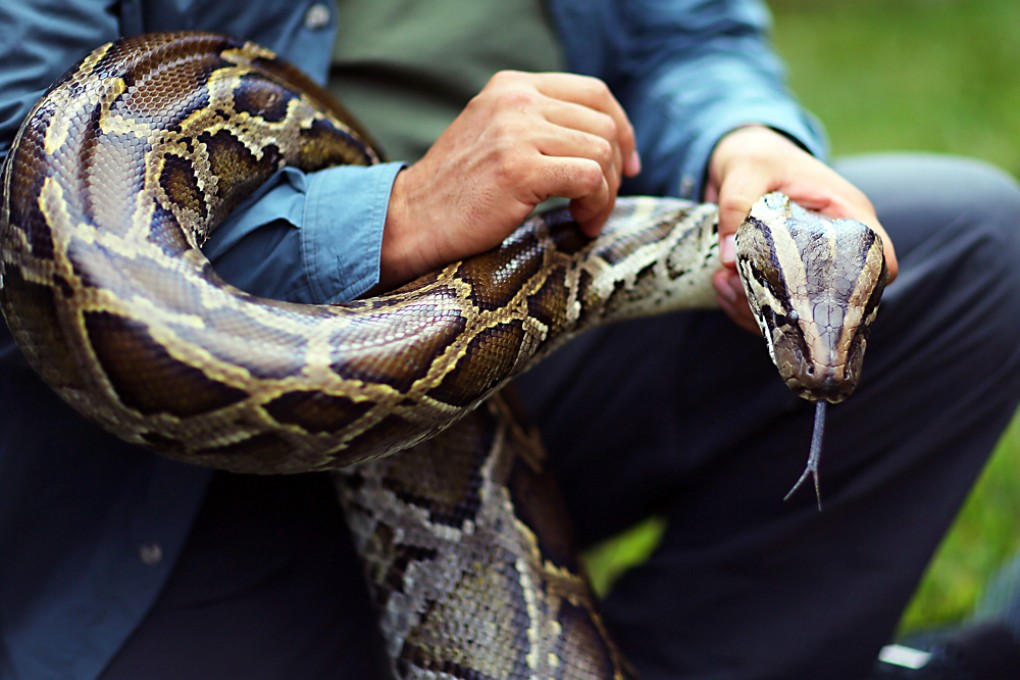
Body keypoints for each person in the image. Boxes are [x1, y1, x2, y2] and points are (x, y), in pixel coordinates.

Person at [1, 1, 1019, 678]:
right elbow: (20, 155)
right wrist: (397, 213)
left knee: (971, 245)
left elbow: (689, 40)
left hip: (518, 312)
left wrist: (743, 137)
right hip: (151, 470)